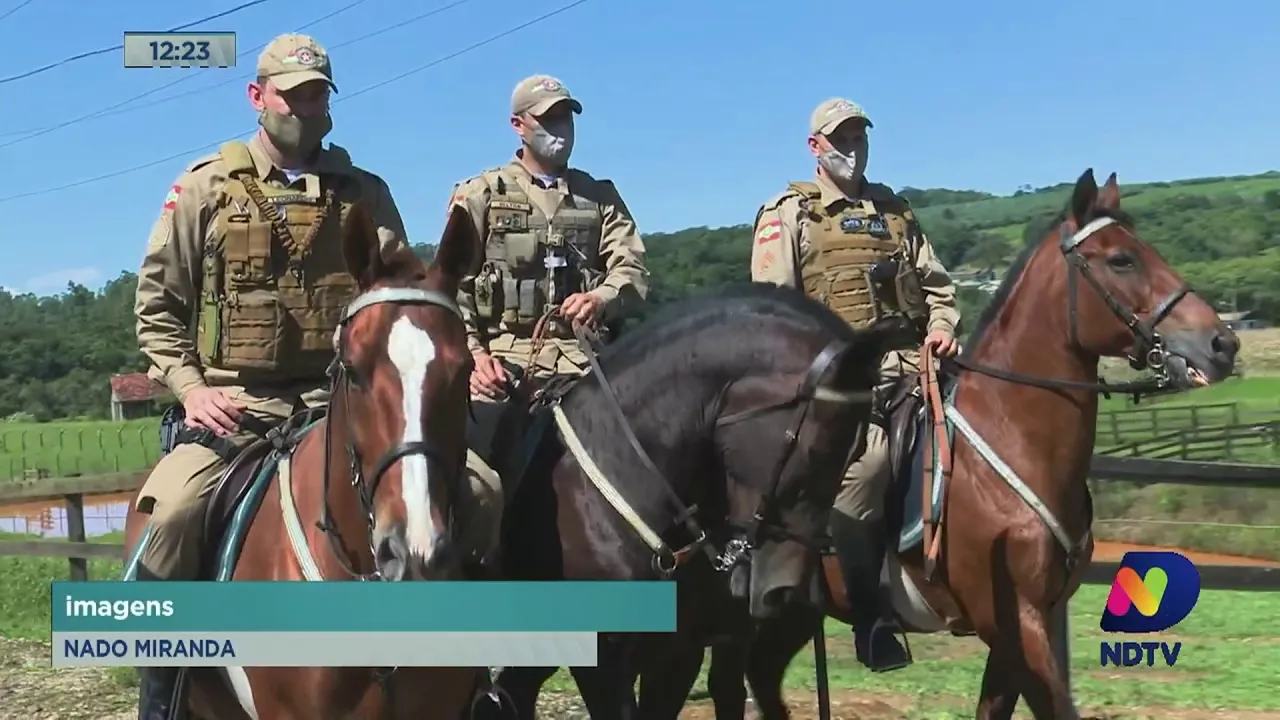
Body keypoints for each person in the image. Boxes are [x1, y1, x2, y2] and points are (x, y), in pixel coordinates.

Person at [131, 33, 410, 719]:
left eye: (318, 94)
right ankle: (163, 696)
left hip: (337, 403)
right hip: (235, 404)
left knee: (475, 490)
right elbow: (157, 309)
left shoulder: (364, 193)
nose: (307, 108)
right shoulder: (204, 187)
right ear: (258, 98)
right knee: (171, 516)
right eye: (293, 95)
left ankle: (476, 672)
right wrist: (192, 389)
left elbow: (402, 292)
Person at [750, 97, 961, 673]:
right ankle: (871, 620)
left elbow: (938, 288)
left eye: (859, 137)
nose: (852, 148)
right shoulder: (789, 213)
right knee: (864, 472)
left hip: (919, 372)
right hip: (844, 385)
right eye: (839, 139)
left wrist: (942, 327)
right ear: (815, 146)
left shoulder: (895, 210)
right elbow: (775, 315)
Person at [446, 74, 650, 572]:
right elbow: (452, 287)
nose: (560, 128)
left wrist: (604, 296)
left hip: (589, 360)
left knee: (656, 440)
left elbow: (634, 269)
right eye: (548, 118)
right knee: (467, 463)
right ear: (519, 126)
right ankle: (465, 576)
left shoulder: (600, 196)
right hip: (506, 363)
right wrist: (474, 357)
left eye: (565, 117)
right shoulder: (480, 195)